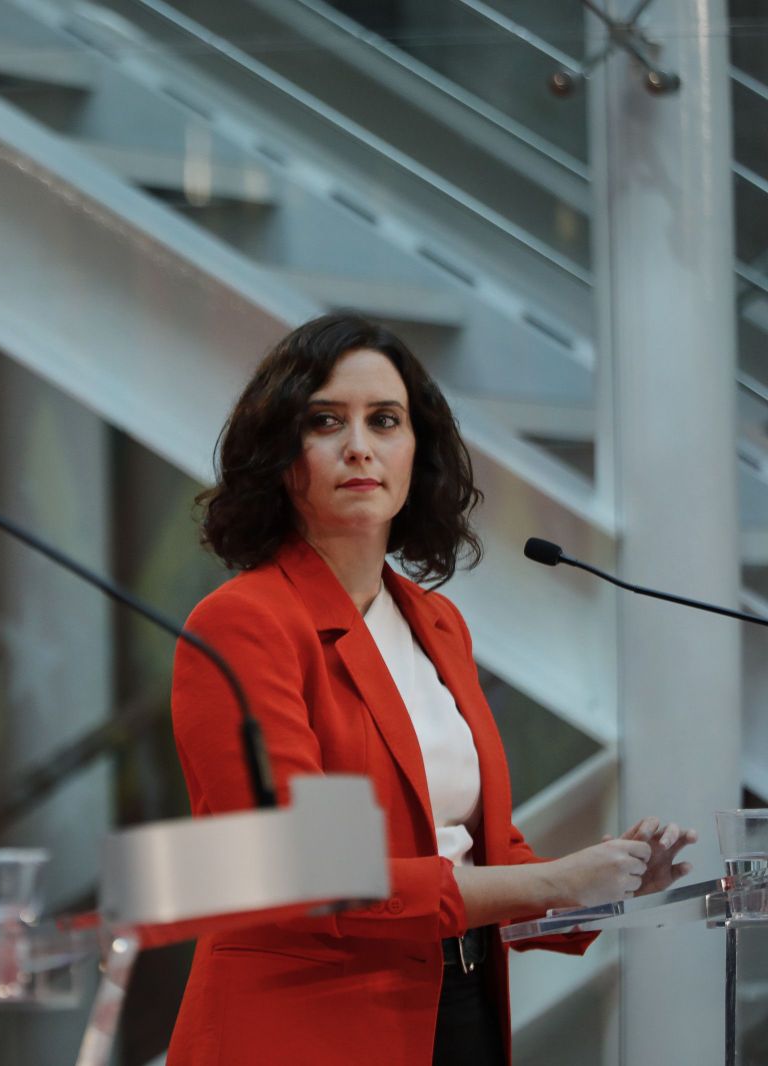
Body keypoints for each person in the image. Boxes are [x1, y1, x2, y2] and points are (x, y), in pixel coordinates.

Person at [166, 313, 696, 1065]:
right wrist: (557, 880)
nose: (360, 446)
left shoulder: (436, 623)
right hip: (309, 1028)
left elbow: (479, 850)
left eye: (385, 420)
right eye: (325, 421)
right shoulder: (244, 623)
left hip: (462, 1005)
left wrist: (608, 880)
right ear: (281, 455)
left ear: (418, 451)